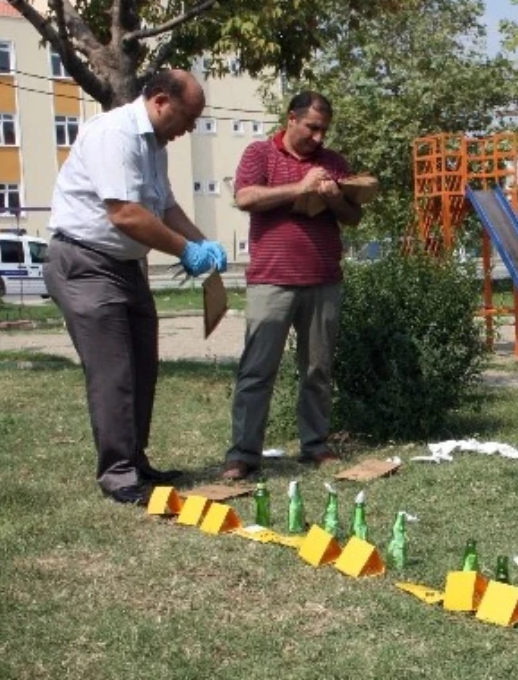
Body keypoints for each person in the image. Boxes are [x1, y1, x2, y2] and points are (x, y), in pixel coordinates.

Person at [44, 69, 227, 504]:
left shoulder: (154, 144)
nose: (191, 128)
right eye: (189, 116)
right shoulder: (115, 134)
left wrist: (205, 244)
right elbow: (125, 213)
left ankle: (136, 461)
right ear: (161, 101)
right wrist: (186, 251)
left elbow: (163, 206)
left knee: (143, 364)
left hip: (126, 266)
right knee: (114, 372)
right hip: (85, 261)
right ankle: (118, 475)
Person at [222, 92, 362, 480]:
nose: (319, 137)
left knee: (317, 369)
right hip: (271, 280)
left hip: (323, 281)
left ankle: (314, 445)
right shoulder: (260, 154)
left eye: (324, 130)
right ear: (291, 119)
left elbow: (354, 217)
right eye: (312, 128)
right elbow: (245, 197)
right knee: (257, 369)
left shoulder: (333, 163)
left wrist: (334, 198)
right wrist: (299, 188)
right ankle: (243, 454)